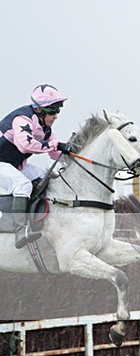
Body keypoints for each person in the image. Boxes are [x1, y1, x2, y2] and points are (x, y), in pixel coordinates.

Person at [0, 84, 74, 248]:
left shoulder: (47, 129)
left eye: (58, 110)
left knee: (47, 179)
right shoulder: (22, 119)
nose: (56, 116)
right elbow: (25, 146)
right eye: (52, 111)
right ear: (39, 110)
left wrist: (72, 154)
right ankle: (20, 231)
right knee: (23, 185)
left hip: (14, 164)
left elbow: (54, 153)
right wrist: (56, 145)